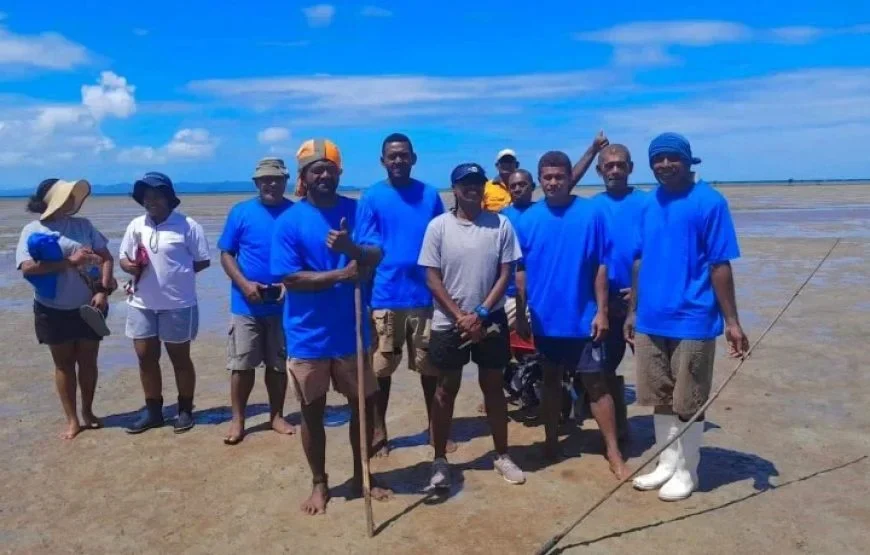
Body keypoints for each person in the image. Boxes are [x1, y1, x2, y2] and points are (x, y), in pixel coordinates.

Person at [271, 139, 392, 516]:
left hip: (351, 331)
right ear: (304, 177)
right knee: (312, 413)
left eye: (329, 168)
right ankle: (320, 483)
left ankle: (363, 476)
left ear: (340, 172)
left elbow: (377, 253)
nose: (323, 174)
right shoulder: (289, 220)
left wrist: (351, 247)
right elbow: (289, 277)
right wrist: (341, 272)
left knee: (363, 408)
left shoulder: (357, 211)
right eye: (315, 169)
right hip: (307, 335)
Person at [626, 133, 749, 501]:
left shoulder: (709, 202)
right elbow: (639, 259)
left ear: (687, 160)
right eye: (657, 159)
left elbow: (720, 264)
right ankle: (666, 463)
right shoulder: (648, 204)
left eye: (671, 158)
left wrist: (732, 322)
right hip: (650, 319)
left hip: (693, 318)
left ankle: (687, 471)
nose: (664, 165)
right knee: (659, 396)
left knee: (689, 399)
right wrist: (632, 310)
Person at [514, 151, 629, 479]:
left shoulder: (591, 213)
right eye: (547, 177)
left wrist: (602, 312)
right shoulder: (528, 219)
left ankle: (613, 451)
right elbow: (520, 272)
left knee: (597, 384)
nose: (553, 183)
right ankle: (551, 442)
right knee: (550, 383)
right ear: (540, 180)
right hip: (545, 320)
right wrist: (522, 315)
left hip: (583, 319)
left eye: (559, 177)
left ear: (569, 178)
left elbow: (600, 268)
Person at [419, 162, 526, 490]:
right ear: (454, 188)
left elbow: (506, 271)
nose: (473, 188)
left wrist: (480, 312)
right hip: (447, 322)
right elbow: (431, 276)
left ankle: (502, 455)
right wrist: (459, 316)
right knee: (444, 390)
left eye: (478, 183)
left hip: (489, 318)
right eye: (465, 183)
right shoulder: (438, 226)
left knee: (493, 386)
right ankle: (439, 459)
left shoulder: (501, 224)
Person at [356, 133, 451, 457]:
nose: (398, 161)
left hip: (425, 297)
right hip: (385, 296)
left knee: (430, 369)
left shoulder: (429, 195)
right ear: (383, 160)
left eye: (404, 155)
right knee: (381, 372)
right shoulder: (371, 197)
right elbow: (366, 246)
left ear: (414, 158)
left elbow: (443, 239)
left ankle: (434, 427)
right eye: (392, 156)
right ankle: (380, 430)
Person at [16, 178, 115, 439]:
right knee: (63, 365)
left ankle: (88, 412)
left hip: (89, 306)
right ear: (52, 199)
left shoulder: (83, 226)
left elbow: (106, 258)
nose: (72, 200)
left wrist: (103, 292)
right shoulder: (31, 229)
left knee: (88, 362)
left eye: (73, 195)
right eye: (67, 195)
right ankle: (72, 420)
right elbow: (27, 269)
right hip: (51, 308)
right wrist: (71, 261)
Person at [119, 172, 210, 434]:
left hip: (179, 304)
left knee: (180, 359)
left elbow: (202, 260)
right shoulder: (136, 225)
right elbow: (124, 259)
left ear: (169, 199)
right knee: (145, 358)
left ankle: (185, 410)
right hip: (141, 304)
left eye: (157, 196)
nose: (151, 201)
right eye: (146, 197)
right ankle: (154, 412)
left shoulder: (188, 225)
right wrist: (131, 266)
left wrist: (177, 275)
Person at [218, 158, 297, 445]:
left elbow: (305, 256)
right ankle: (238, 419)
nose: (271, 184)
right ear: (256, 183)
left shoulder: (296, 212)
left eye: (276, 179)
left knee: (278, 365)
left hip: (284, 304)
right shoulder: (241, 212)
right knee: (242, 365)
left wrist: (291, 284)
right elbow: (226, 254)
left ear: (285, 181)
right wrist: (243, 284)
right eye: (265, 179)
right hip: (245, 304)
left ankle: (276, 415)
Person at [592, 145, 647, 439]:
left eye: (620, 165)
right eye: (608, 166)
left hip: (643, 302)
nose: (614, 170)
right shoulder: (592, 207)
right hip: (605, 303)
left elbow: (660, 252)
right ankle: (619, 426)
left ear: (630, 167)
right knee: (604, 369)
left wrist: (640, 293)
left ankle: (673, 432)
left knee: (654, 370)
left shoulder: (648, 203)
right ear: (599, 170)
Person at [500, 169, 535, 330]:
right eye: (513, 186)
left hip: (538, 294)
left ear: (533, 186)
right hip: (509, 295)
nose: (517, 189)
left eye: (522, 184)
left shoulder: (544, 212)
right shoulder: (501, 217)